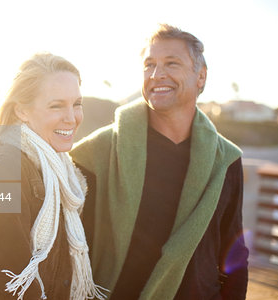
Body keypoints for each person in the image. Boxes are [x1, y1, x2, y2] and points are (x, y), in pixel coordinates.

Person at [71, 24, 249, 300]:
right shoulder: (97, 151)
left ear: (200, 76)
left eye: (171, 63)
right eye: (149, 65)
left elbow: (233, 252)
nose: (156, 75)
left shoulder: (225, 160)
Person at [0, 53, 106, 299]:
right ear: (22, 111)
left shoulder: (59, 167)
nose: (72, 117)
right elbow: (12, 283)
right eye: (56, 105)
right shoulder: (2, 168)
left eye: (76, 104)